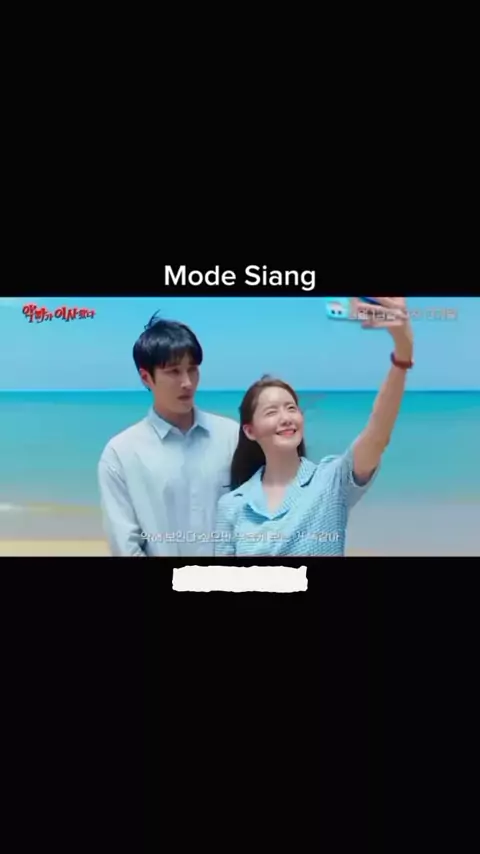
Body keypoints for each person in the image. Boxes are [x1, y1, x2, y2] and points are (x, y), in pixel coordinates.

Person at [214, 296, 414, 557]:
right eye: (272, 411)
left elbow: (377, 435)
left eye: (291, 408)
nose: (286, 418)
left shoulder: (330, 481)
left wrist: (402, 355)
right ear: (250, 431)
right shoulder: (232, 506)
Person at [98, 313, 239, 556]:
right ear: (146, 378)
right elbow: (125, 545)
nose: (187, 382)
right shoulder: (120, 453)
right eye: (174, 372)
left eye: (192, 370)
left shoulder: (231, 436)